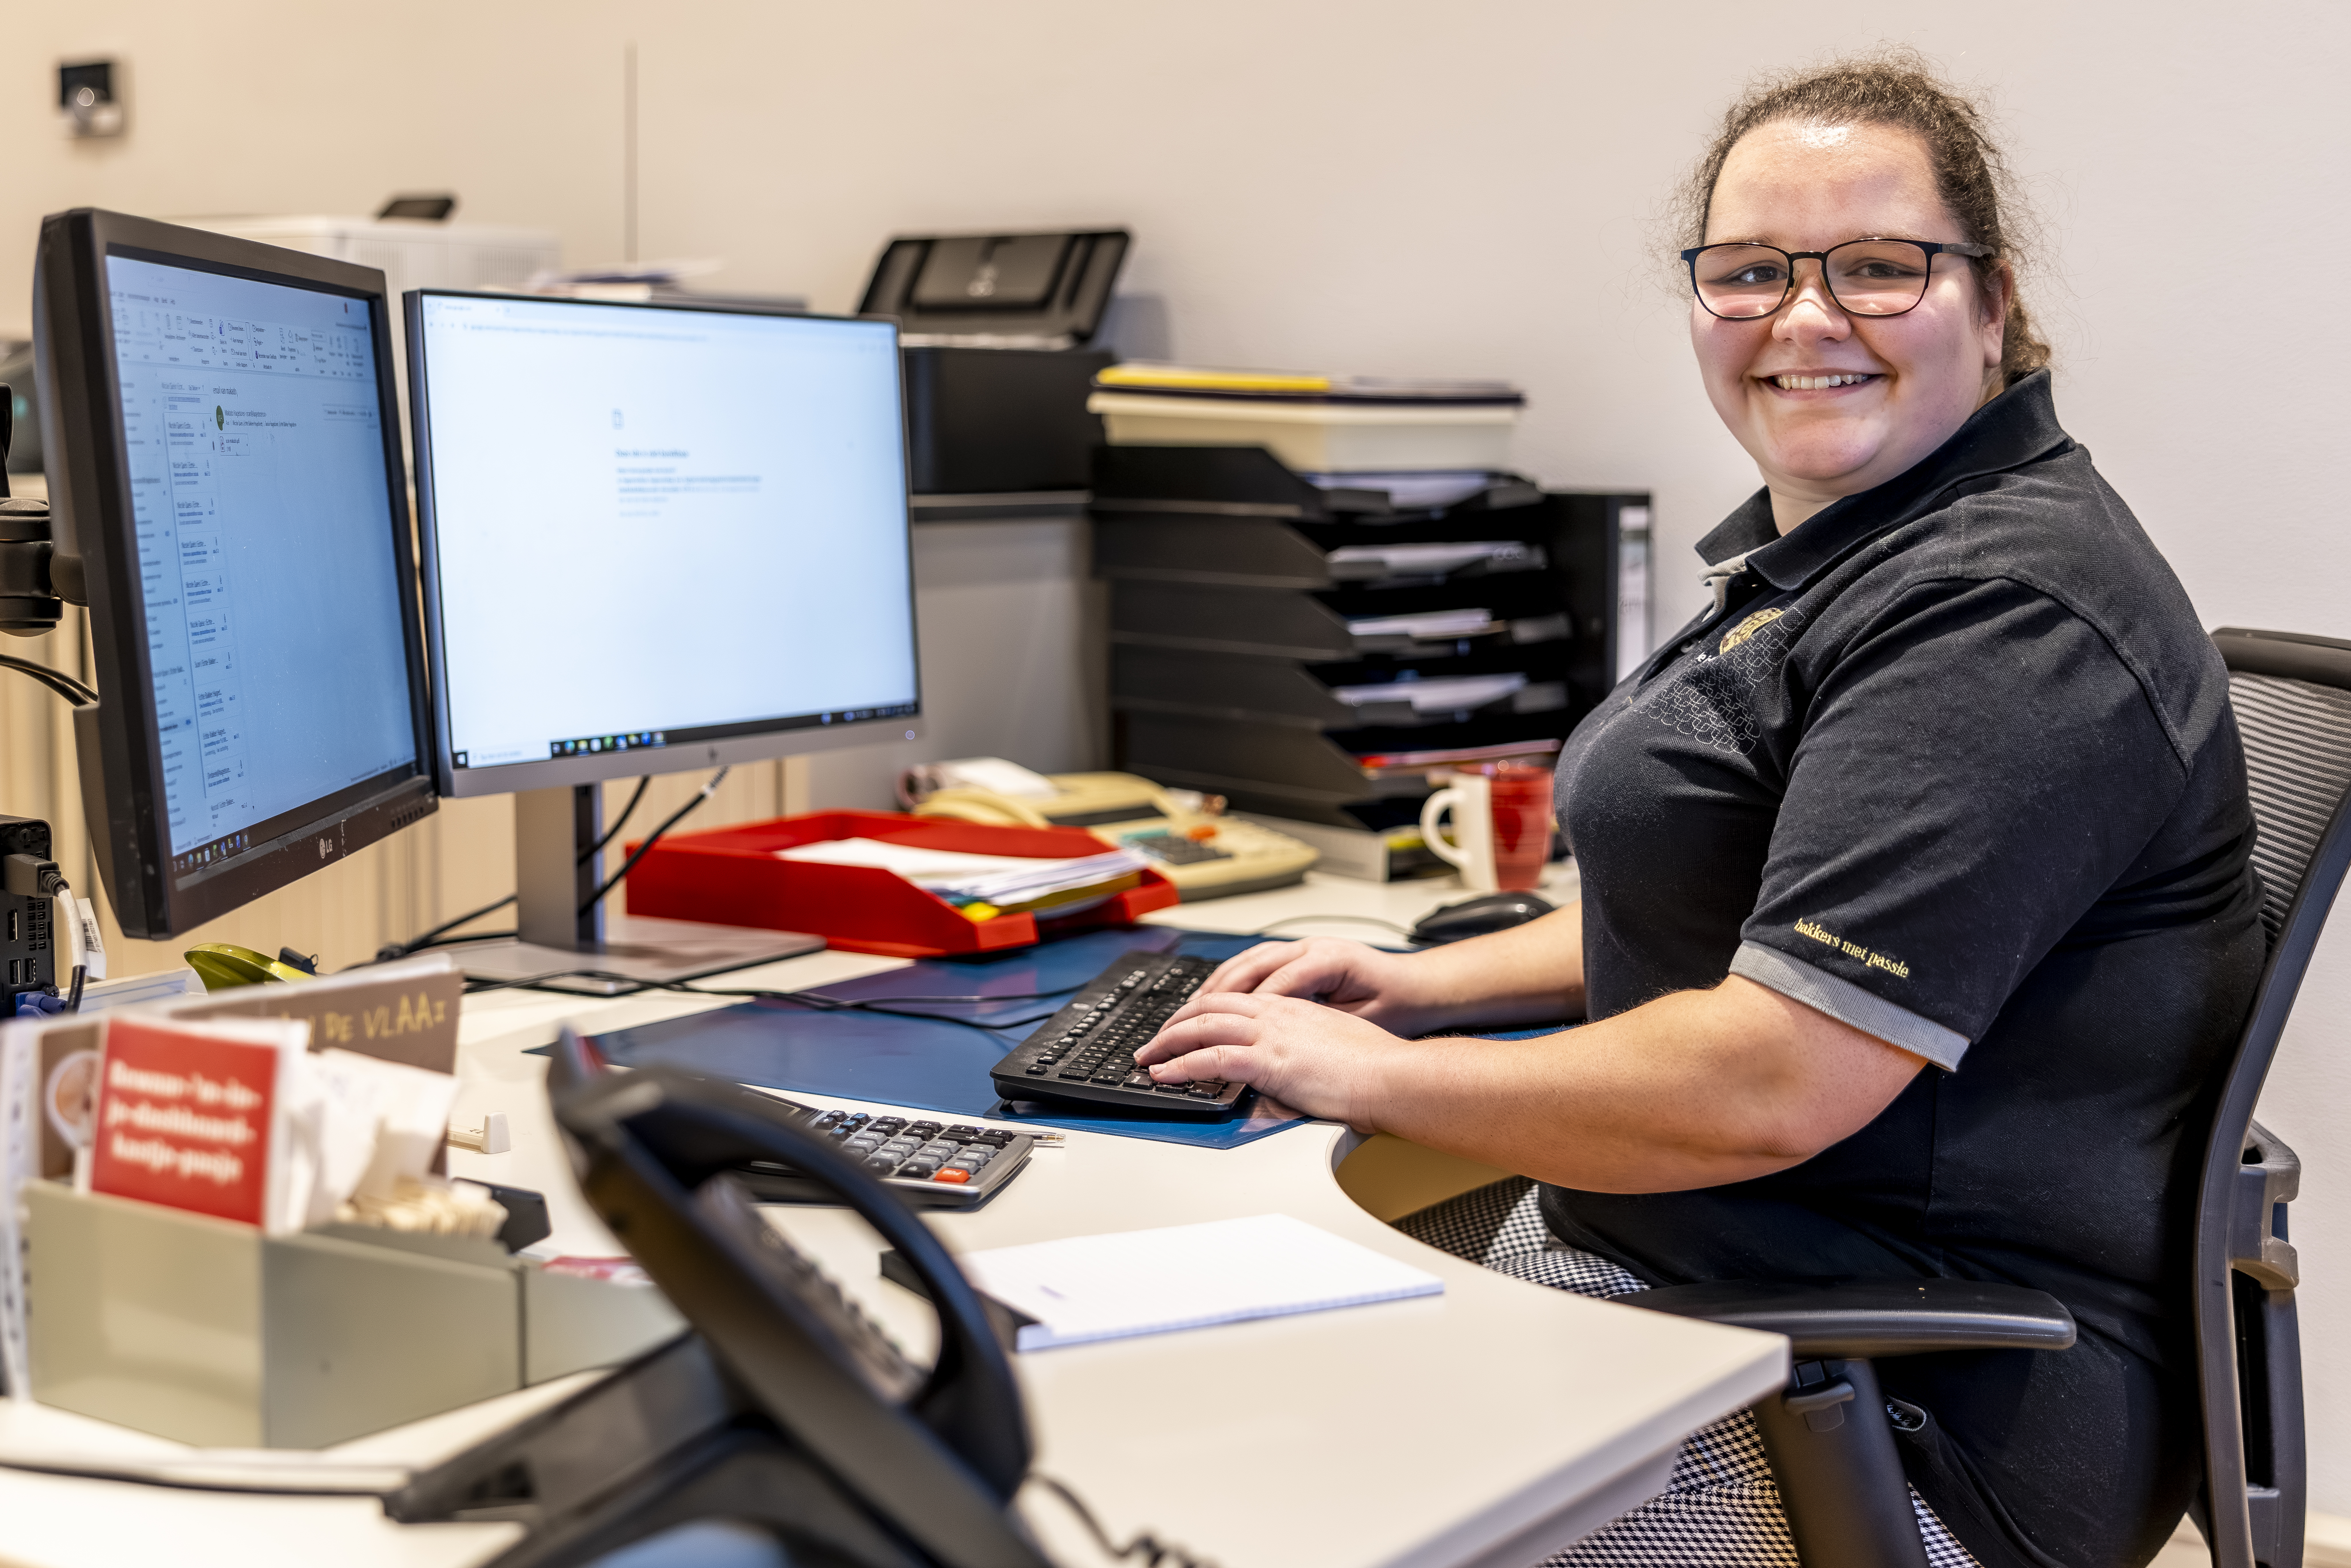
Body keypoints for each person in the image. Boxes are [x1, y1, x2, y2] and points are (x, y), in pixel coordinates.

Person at [1135, 53, 2262, 1568]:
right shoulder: (1856, 549)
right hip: (1710, 1281)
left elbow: (1773, 1077)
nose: (1806, 318)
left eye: (1878, 267)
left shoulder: (2004, 613)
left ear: (1992, 303)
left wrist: (1375, 1078)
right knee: (1198, 1402)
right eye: (1750, 272)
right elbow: (1740, 891)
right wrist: (1420, 985)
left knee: (1243, 1507)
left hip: (1903, 1416)